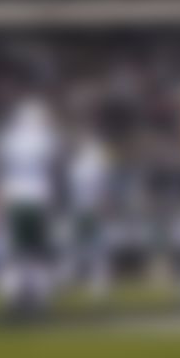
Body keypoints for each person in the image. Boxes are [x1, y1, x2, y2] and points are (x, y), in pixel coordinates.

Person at [0, 96, 59, 315]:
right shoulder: (46, 138)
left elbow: (2, 171)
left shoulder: (6, 139)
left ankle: (13, 297)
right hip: (38, 198)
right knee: (37, 250)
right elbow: (51, 169)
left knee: (15, 251)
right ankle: (38, 298)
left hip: (14, 197)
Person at [65, 127, 112, 298]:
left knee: (87, 247)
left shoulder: (85, 163)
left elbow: (99, 186)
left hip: (85, 208)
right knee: (88, 247)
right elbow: (98, 188)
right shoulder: (85, 163)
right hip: (86, 209)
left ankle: (94, 282)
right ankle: (93, 282)